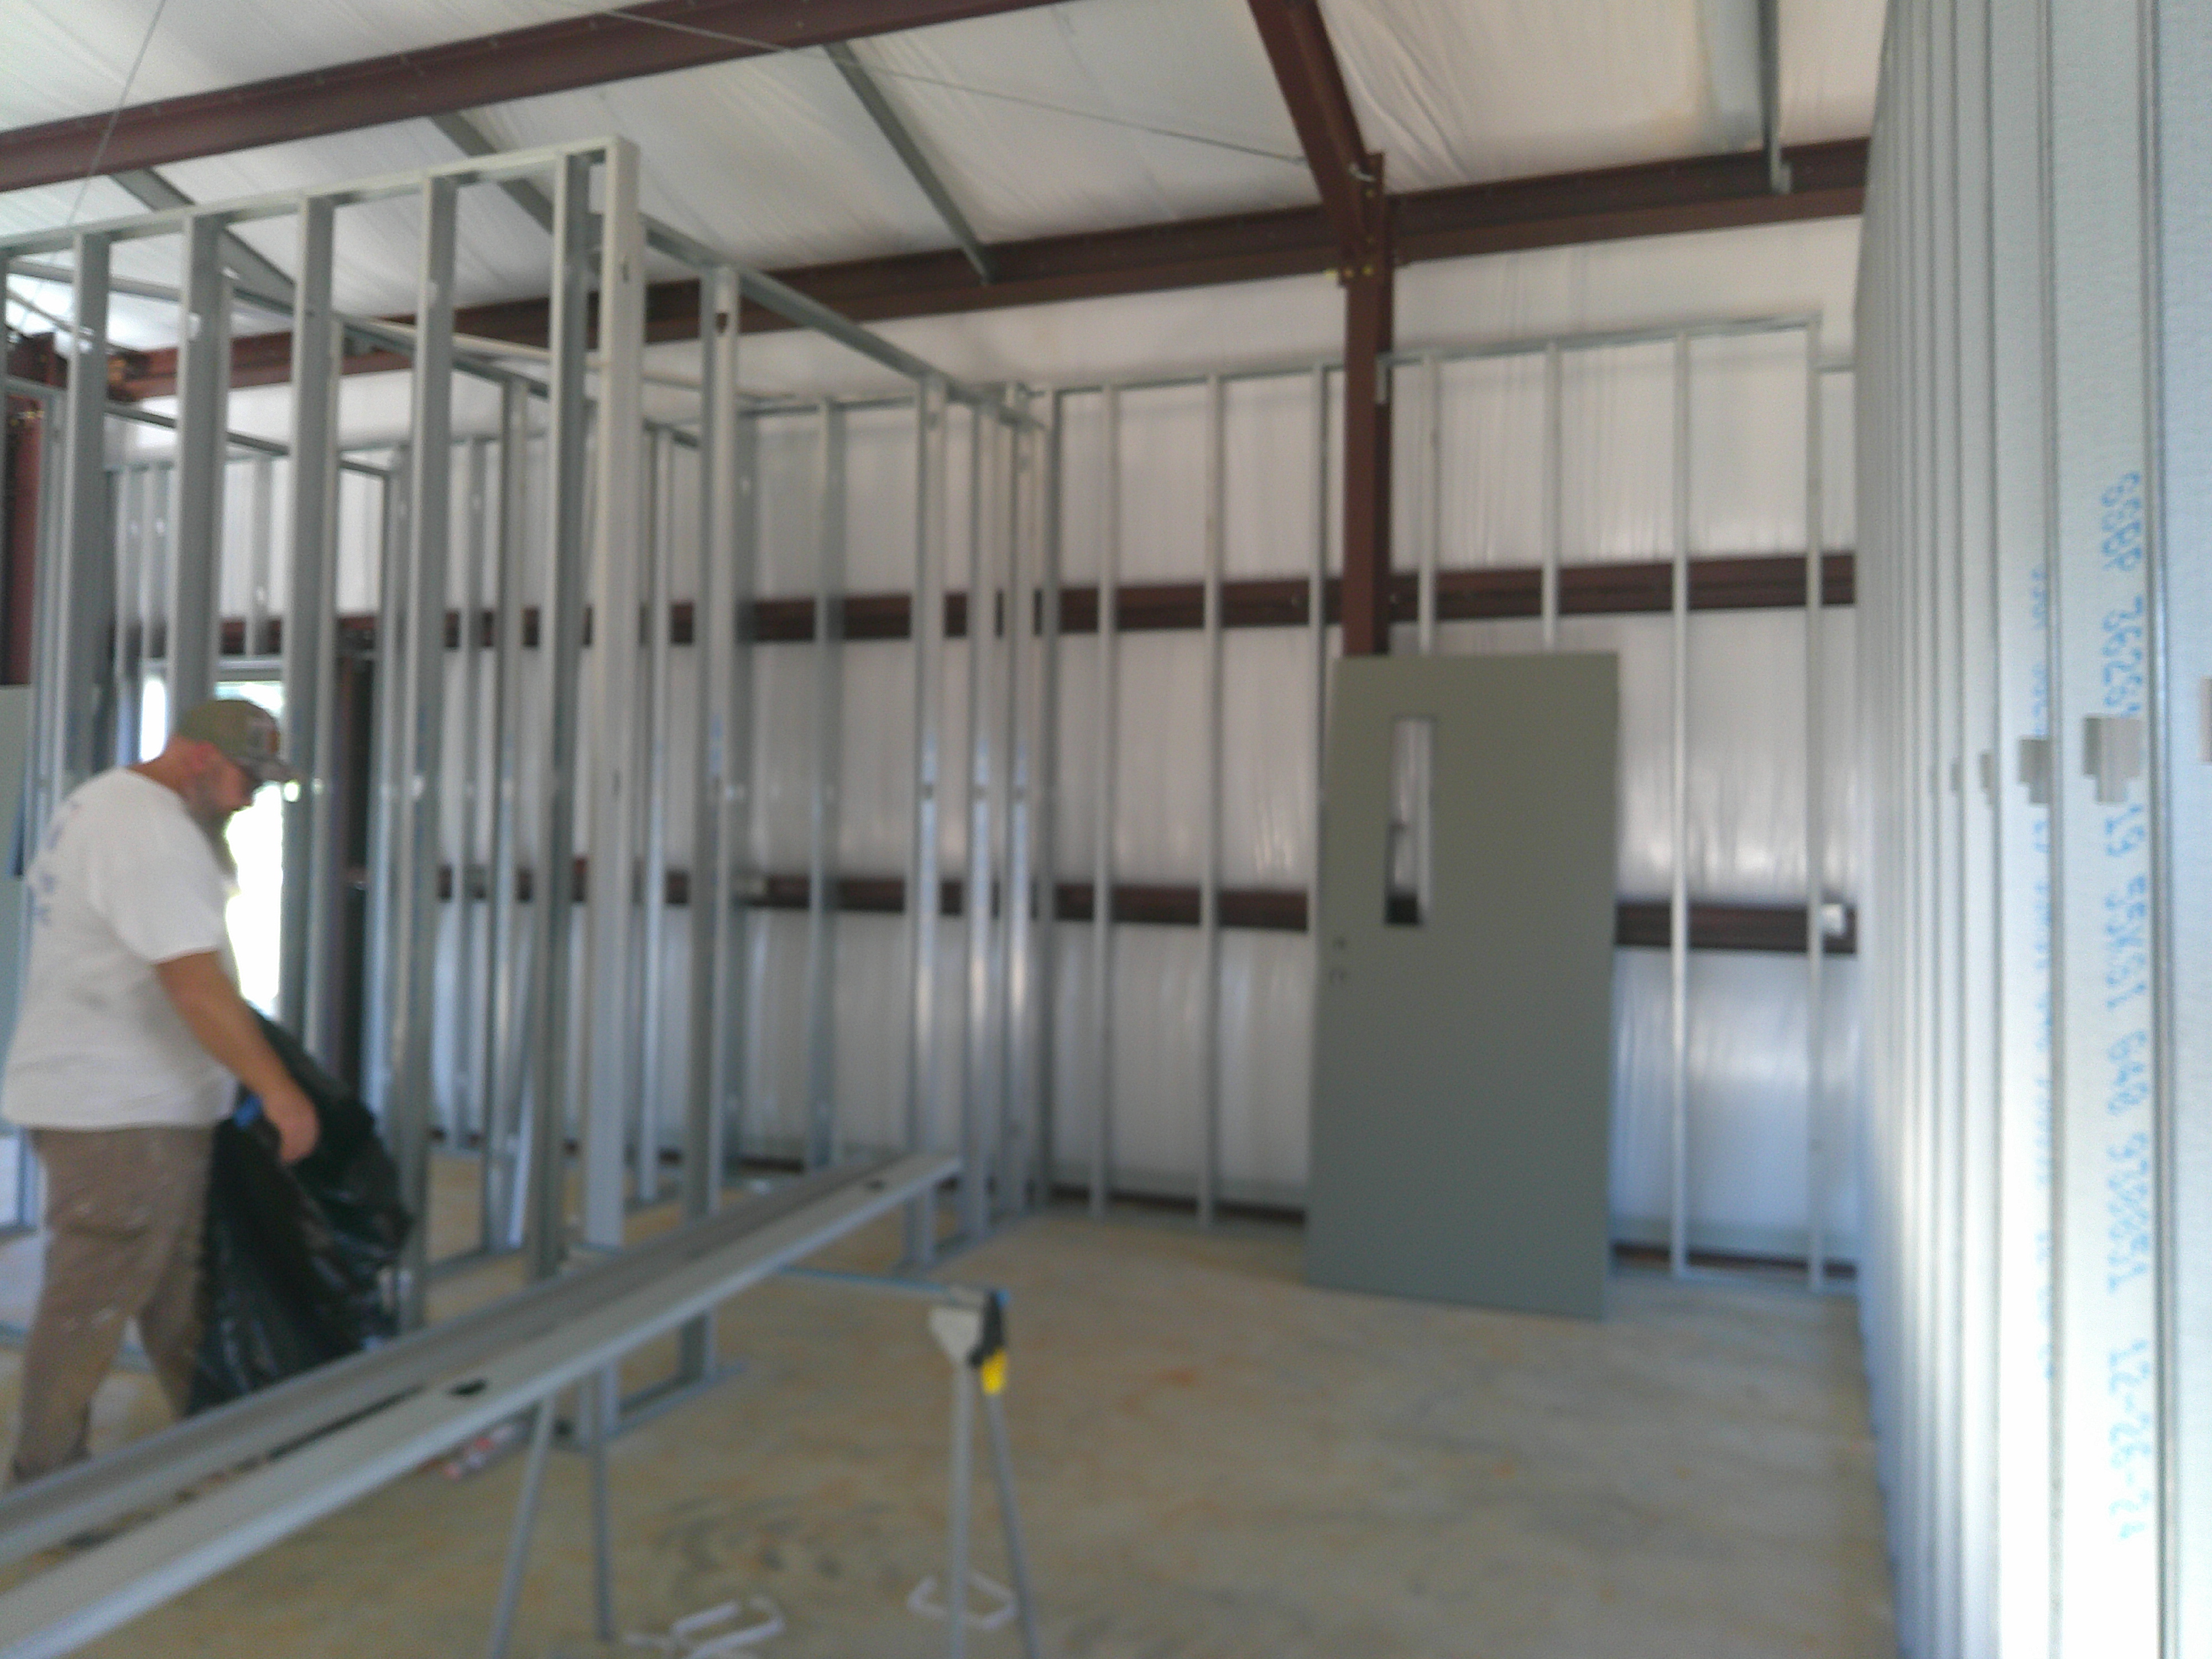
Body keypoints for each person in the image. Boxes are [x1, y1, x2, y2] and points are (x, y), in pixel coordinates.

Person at [2, 698, 320, 1486]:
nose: (251, 799)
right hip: (119, 1114)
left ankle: (214, 1444)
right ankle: (46, 1482)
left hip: (138, 1105)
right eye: (248, 779)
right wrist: (279, 1091)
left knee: (176, 1289)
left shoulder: (117, 807)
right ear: (199, 756)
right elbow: (194, 986)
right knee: (95, 1295)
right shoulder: (149, 832)